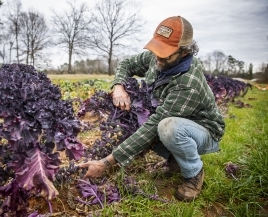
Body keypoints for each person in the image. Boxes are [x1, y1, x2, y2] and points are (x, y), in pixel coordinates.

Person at [79, 15, 225, 202]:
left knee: (167, 128)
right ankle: (176, 160)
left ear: (184, 52)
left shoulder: (188, 83)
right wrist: (118, 86)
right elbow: (126, 64)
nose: (158, 58)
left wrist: (106, 162)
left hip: (204, 131)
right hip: (177, 120)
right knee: (146, 118)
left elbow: (152, 127)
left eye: (165, 53)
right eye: (158, 49)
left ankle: (194, 174)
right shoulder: (158, 58)